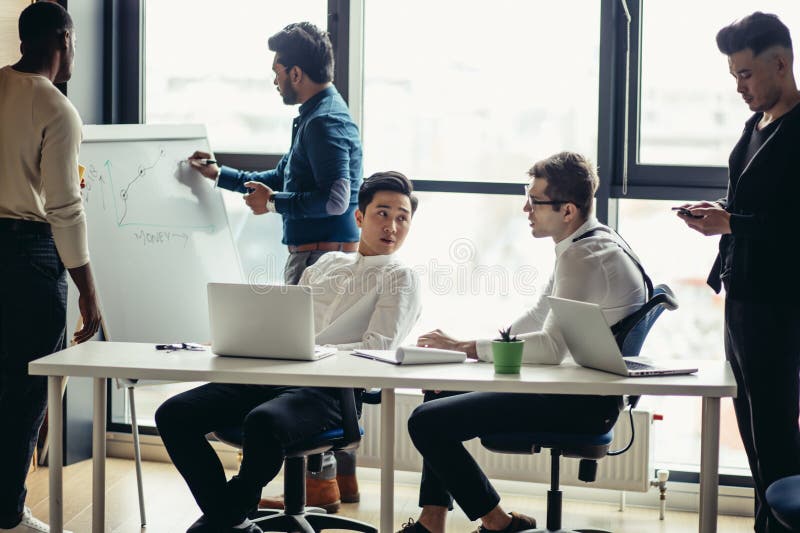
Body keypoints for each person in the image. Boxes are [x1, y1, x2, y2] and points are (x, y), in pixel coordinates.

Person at [155, 172, 421, 533]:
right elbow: (289, 322)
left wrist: (314, 352)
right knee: (175, 413)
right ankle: (234, 521)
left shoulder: (400, 277)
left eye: (402, 217)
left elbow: (376, 349)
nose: (392, 225)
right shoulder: (325, 263)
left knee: (263, 421)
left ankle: (227, 515)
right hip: (277, 375)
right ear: (359, 218)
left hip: (331, 391)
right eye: (383, 213)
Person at [398, 152, 648, 533]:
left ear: (567, 210)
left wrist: (469, 350)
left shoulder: (584, 257)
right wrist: (470, 350)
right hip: (574, 387)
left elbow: (549, 349)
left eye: (535, 200)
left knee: (424, 423)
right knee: (437, 391)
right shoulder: (588, 241)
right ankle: (434, 522)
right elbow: (538, 315)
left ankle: (497, 524)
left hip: (579, 404)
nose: (525, 208)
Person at [188, 21, 364, 507]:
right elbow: (281, 178)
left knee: (304, 370)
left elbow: (335, 199)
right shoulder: (315, 114)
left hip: (320, 256)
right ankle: (336, 480)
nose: (273, 79)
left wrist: (277, 204)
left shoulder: (324, 120)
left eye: (277, 71)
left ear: (296, 71)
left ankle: (318, 481)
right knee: (314, 364)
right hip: (318, 253)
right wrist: (222, 174)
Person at [676, 12, 800, 533]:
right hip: (742, 298)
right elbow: (758, 204)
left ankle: (778, 525)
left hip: (779, 303)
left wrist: (734, 221)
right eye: (733, 77)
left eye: (746, 75)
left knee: (775, 428)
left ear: (780, 62)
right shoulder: (755, 127)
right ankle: (764, 523)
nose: (739, 87)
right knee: (750, 423)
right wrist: (723, 211)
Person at [0, 3, 102, 533]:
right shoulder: (57, 108)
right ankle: (7, 512)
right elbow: (64, 208)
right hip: (29, 255)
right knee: (27, 387)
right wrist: (87, 289)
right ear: (63, 39)